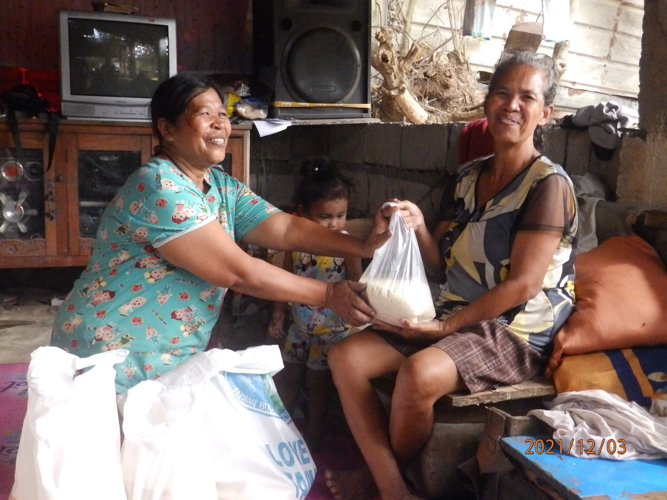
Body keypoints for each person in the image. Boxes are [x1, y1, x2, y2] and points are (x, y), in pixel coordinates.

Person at [325, 50, 579, 500]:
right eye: (502, 93)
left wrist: (443, 328)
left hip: (513, 329)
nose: (512, 105)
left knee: (419, 375)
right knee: (346, 357)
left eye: (527, 97)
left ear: (547, 113)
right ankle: (393, 487)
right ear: (487, 103)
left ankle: (382, 480)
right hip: (454, 314)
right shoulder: (466, 179)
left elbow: (523, 284)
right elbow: (440, 266)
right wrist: (418, 225)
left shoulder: (548, 185)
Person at [50, 73, 390, 393]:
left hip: (168, 352)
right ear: (167, 129)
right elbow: (237, 271)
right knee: (114, 452)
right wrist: (329, 295)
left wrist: (360, 245)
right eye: (204, 114)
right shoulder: (159, 186)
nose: (220, 123)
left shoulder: (220, 186)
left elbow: (285, 228)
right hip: (112, 352)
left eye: (222, 113)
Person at [267, 156, 362, 452]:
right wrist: (278, 313)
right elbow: (284, 278)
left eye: (340, 215)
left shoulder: (347, 245)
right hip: (298, 326)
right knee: (288, 375)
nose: (334, 224)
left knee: (318, 384)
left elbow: (357, 284)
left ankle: (314, 436)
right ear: (304, 214)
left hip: (332, 330)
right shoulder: (295, 243)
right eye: (325, 217)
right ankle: (278, 429)